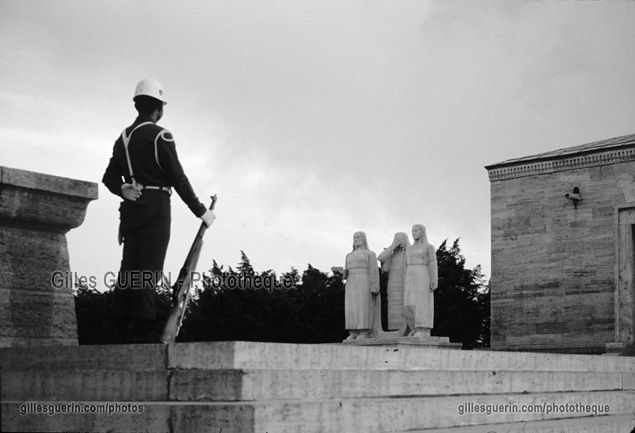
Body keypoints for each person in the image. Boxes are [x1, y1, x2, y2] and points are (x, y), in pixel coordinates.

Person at [102, 78, 215, 343]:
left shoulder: (123, 139)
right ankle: (142, 331)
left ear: (137, 105)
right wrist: (201, 211)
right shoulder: (160, 135)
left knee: (128, 270)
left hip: (131, 211)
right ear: (158, 109)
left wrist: (122, 190)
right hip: (156, 207)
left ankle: (121, 328)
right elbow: (177, 177)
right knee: (148, 271)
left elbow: (108, 177)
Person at [342, 231, 380, 341]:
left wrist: (375, 284)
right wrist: (342, 274)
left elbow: (374, 270)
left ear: (363, 239)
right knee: (351, 306)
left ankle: (363, 331)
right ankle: (353, 331)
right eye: (354, 237)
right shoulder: (348, 255)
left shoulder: (369, 254)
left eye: (358, 237)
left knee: (363, 306)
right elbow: (346, 272)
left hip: (364, 280)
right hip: (351, 282)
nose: (356, 239)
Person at [403, 224, 438, 338]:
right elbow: (405, 265)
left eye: (416, 230)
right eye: (412, 231)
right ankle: (413, 328)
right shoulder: (409, 248)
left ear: (422, 232)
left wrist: (433, 279)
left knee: (421, 302)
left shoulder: (428, 247)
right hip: (410, 274)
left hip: (423, 273)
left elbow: (432, 263)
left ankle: (423, 329)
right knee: (409, 303)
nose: (413, 233)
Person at [377, 232, 409, 335]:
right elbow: (381, 258)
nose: (398, 241)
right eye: (396, 239)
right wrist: (392, 246)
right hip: (393, 285)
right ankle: (394, 330)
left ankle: (407, 329)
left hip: (405, 285)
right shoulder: (391, 255)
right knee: (393, 307)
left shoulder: (409, 253)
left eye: (400, 239)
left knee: (405, 307)